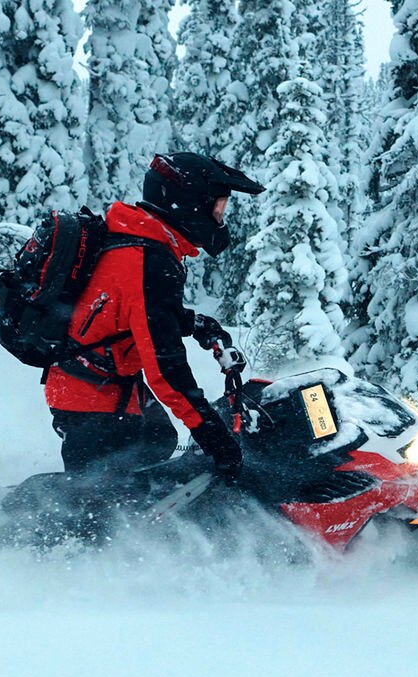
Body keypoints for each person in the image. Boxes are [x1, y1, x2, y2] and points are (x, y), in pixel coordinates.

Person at [44, 152, 265, 482]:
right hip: (91, 398)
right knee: (99, 501)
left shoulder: (141, 241)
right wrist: (215, 437)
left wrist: (192, 324)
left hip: (103, 384)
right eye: (217, 208)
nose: (220, 218)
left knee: (158, 443)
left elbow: (134, 311)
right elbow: (166, 371)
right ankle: (5, 523)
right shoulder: (148, 260)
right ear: (190, 202)